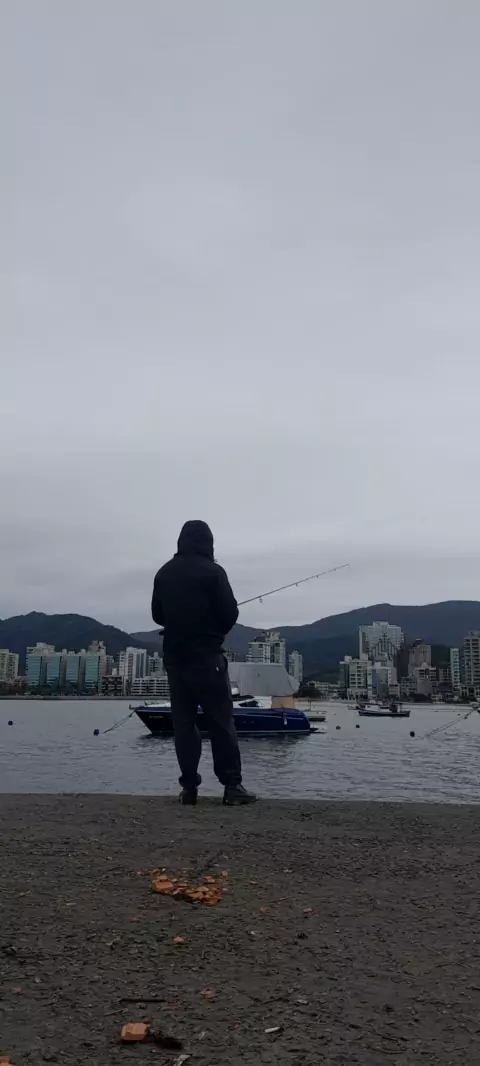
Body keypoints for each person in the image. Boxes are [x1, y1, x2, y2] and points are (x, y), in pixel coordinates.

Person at [151, 520, 256, 807]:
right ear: (208, 542)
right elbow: (229, 614)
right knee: (220, 722)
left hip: (175, 660)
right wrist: (211, 628)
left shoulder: (164, 573)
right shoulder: (214, 572)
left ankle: (189, 789)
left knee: (184, 725)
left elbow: (157, 615)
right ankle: (232, 787)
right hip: (208, 659)